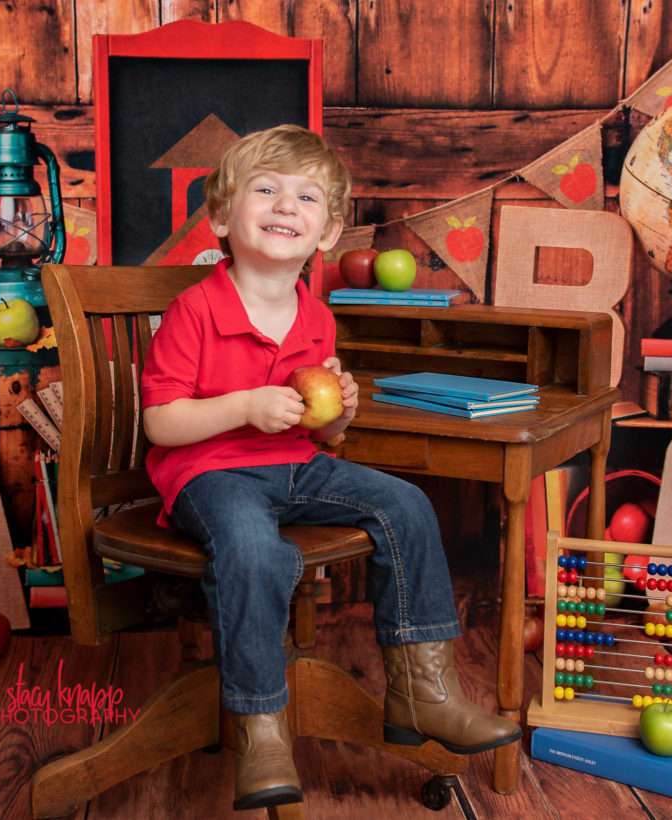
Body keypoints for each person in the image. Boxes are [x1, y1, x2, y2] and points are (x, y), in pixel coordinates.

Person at [141, 124, 520, 812]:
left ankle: (422, 690)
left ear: (326, 232)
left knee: (405, 504)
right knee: (257, 549)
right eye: (266, 190)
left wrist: (340, 411)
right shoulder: (194, 309)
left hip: (295, 467)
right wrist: (244, 407)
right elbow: (161, 422)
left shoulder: (316, 317)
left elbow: (325, 433)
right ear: (223, 217)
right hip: (209, 475)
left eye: (306, 196)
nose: (287, 205)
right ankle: (261, 728)